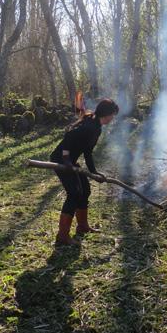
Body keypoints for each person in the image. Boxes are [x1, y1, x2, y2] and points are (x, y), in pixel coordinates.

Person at [50, 98, 119, 245]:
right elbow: (69, 135)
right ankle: (62, 236)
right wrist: (66, 158)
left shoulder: (97, 127)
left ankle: (82, 227)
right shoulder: (89, 126)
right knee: (74, 194)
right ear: (106, 114)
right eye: (113, 115)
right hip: (60, 160)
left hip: (71, 162)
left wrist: (94, 172)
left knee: (85, 190)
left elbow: (87, 152)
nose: (113, 118)